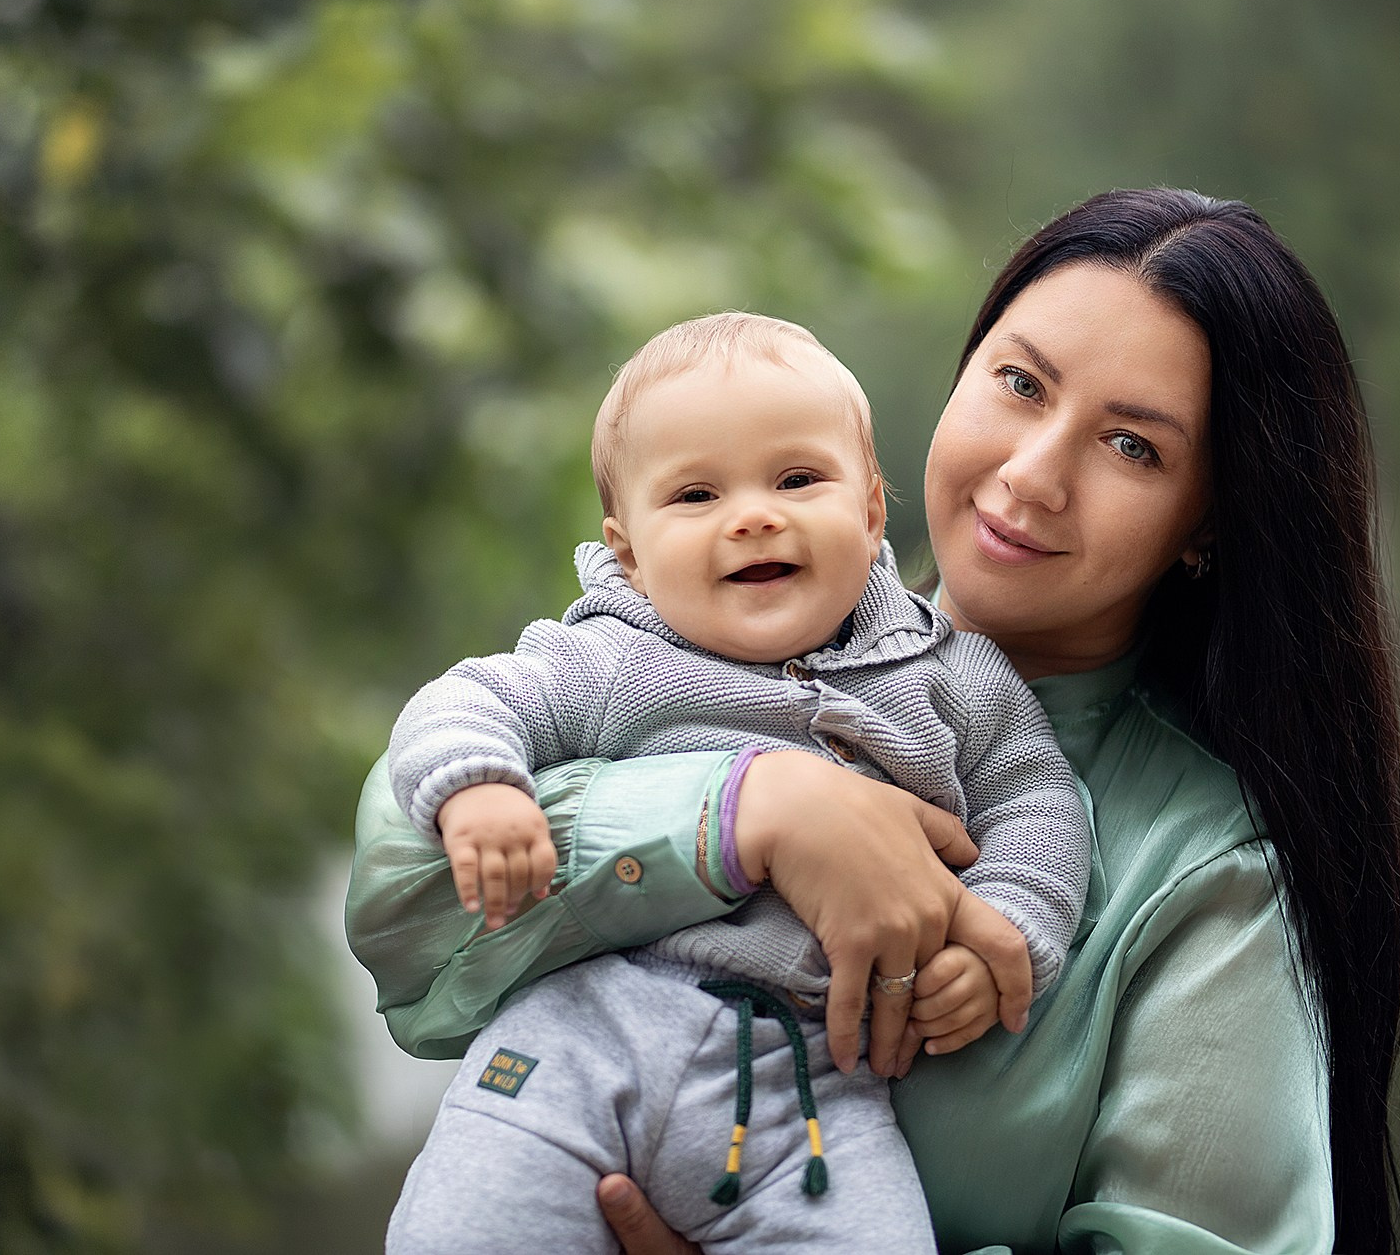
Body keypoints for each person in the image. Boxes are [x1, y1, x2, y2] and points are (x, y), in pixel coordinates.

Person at [347, 188, 1400, 1255]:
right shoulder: (677, 645)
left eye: (1131, 447)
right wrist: (751, 812)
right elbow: (405, 927)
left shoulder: (1207, 871)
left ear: (1208, 522)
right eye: (1018, 383)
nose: (1031, 472)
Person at [380, 312, 1090, 1254]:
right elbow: (469, 699)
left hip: (815, 1088)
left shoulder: (947, 673)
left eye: (798, 480)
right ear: (627, 551)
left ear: (872, 510)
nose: (754, 515)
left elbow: (1035, 803)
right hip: (583, 1038)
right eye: (696, 495)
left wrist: (1009, 933)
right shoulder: (614, 660)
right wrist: (481, 789)